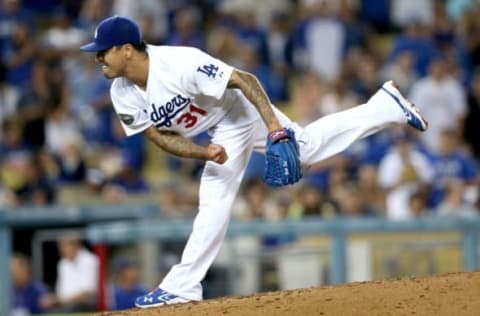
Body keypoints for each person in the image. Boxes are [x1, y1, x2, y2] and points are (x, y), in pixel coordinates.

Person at [80, 16, 428, 308]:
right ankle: (383, 107)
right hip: (218, 128)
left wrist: (275, 128)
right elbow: (157, 136)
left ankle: (182, 286)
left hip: (239, 109)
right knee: (304, 149)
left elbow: (245, 80)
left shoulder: (178, 63)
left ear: (127, 49)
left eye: (102, 52)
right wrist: (203, 152)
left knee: (216, 194)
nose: (98, 59)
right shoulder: (121, 92)